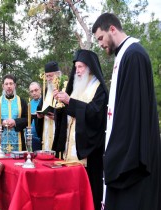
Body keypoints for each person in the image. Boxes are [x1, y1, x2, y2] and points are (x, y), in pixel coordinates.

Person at [92, 13, 161, 210]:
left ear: (112, 29)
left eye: (100, 38)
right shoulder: (124, 55)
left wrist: (114, 157)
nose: (100, 44)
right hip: (127, 154)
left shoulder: (134, 55)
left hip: (133, 161)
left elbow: (132, 114)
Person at [53, 50, 108, 210]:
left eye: (81, 67)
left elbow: (95, 114)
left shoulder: (99, 89)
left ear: (90, 68)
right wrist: (60, 106)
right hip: (69, 153)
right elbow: (71, 114)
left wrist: (70, 101)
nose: (77, 71)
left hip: (89, 155)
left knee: (88, 195)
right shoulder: (76, 87)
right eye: (76, 67)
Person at [0, 74, 28, 154]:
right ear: (3, 86)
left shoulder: (21, 101)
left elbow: (27, 119)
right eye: (6, 84)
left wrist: (15, 122)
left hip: (18, 139)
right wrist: (1, 122)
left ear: (14, 85)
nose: (9, 86)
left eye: (11, 83)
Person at [36, 61, 61, 151]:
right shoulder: (46, 90)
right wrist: (39, 115)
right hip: (46, 131)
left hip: (57, 131)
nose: (49, 78)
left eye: (51, 75)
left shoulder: (64, 89)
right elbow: (40, 108)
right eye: (47, 76)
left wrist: (57, 117)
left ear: (58, 75)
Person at [28, 82, 42, 151]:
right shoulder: (29, 104)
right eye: (32, 91)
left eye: (36, 90)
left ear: (40, 90)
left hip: (42, 137)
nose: (34, 93)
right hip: (31, 137)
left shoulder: (45, 102)